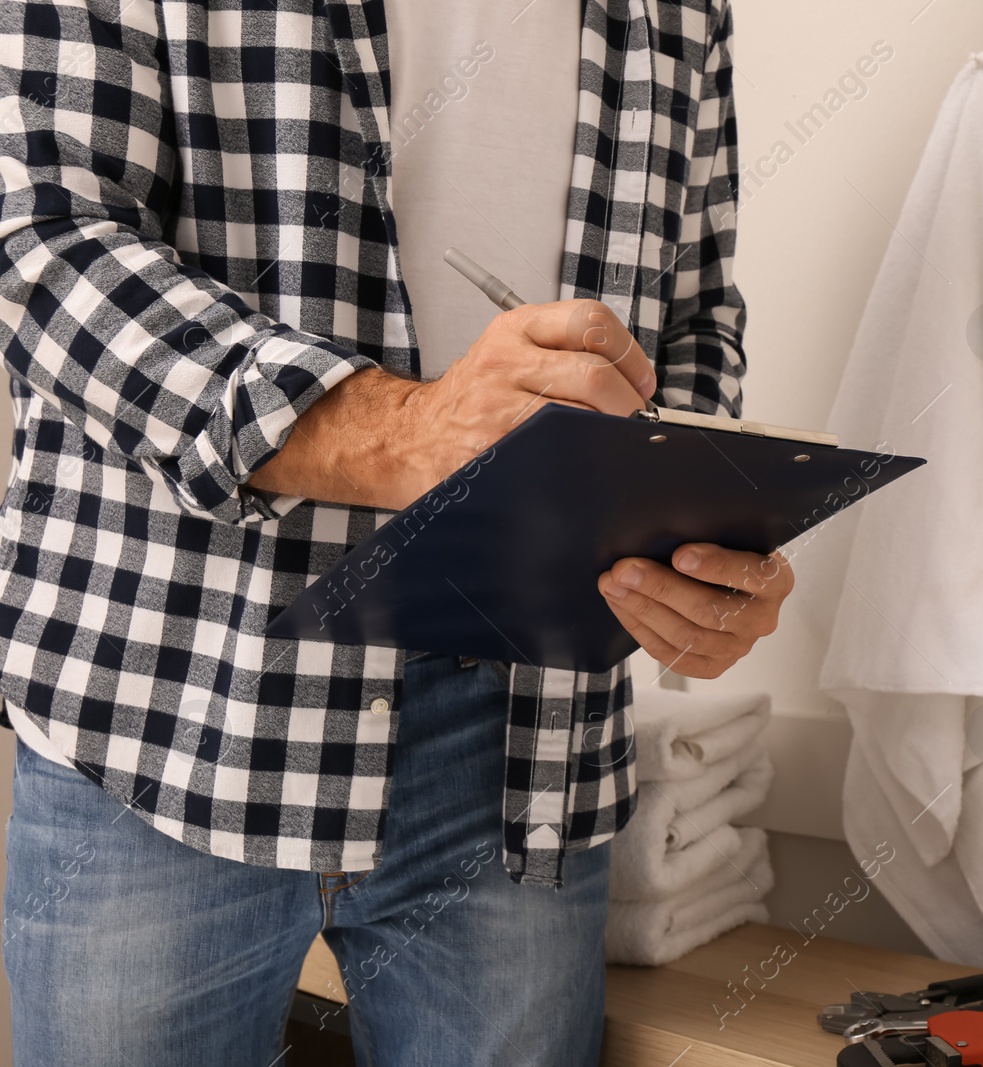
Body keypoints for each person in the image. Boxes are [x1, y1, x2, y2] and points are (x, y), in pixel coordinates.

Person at [0, 1, 784, 1063]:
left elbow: (691, 315)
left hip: (525, 735)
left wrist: (691, 540)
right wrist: (402, 430)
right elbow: (42, 236)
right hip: (171, 704)